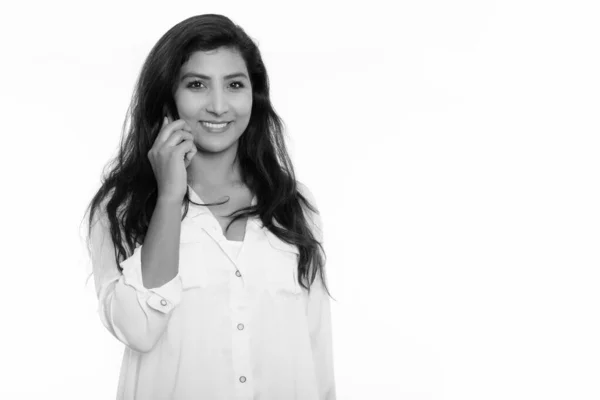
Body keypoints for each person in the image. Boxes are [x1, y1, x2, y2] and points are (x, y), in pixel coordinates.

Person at [83, 14, 336, 400]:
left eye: (234, 85)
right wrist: (169, 197)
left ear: (255, 96)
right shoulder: (120, 208)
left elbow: (317, 348)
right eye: (197, 85)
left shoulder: (294, 205)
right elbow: (138, 328)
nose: (218, 106)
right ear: (168, 98)